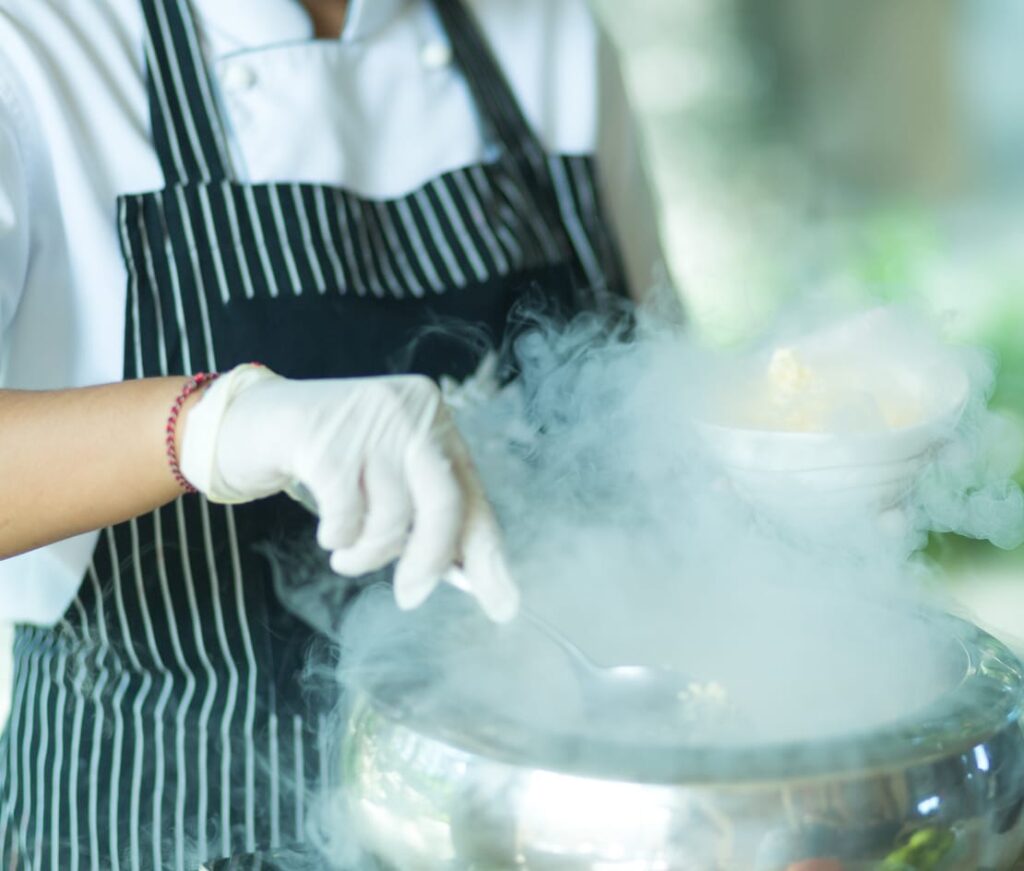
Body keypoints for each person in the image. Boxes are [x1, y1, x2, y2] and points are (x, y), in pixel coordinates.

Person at [0, 0, 662, 865]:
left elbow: (648, 417)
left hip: (536, 836)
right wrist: (218, 428)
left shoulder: (547, 33)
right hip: (164, 827)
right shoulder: (36, 48)